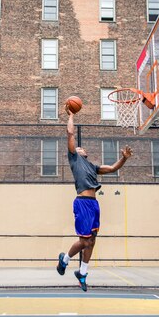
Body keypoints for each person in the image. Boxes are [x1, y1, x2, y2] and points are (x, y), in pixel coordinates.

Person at [57, 104, 132, 291]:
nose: (81, 148)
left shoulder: (93, 167)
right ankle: (65, 259)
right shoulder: (74, 158)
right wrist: (71, 115)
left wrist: (124, 158)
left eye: (82, 148)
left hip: (94, 205)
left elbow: (113, 168)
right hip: (82, 203)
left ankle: (82, 273)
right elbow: (70, 134)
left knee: (92, 240)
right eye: (78, 147)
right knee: (84, 241)